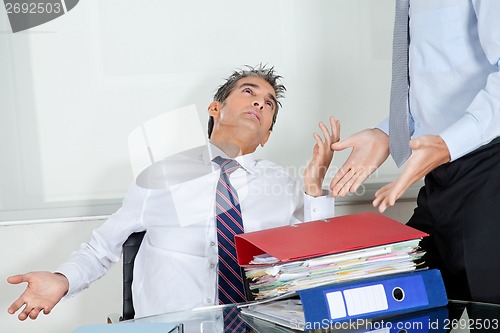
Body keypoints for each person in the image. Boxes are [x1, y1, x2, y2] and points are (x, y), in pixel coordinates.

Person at [8, 65, 340, 320]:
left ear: (266, 135)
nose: (259, 102)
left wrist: (314, 188)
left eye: (269, 104)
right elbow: (101, 248)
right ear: (215, 109)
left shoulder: (285, 185)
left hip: (255, 325)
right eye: (248, 92)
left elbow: (322, 266)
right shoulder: (161, 175)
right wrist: (62, 279)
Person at [329, 1, 500, 304]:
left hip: (489, 172)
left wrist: (450, 143)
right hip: (438, 180)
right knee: (403, 308)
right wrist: (388, 132)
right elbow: (434, 86)